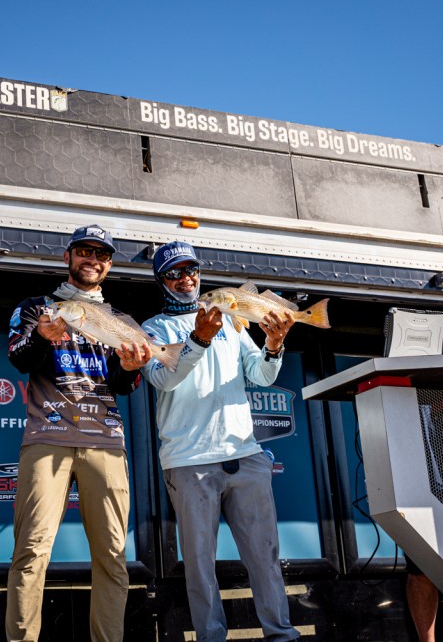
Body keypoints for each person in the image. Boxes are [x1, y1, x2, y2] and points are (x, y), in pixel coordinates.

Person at [140, 241, 300, 642]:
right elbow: (163, 379)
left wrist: (274, 345)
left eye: (191, 270)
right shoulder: (153, 329)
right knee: (199, 565)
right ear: (161, 281)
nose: (186, 279)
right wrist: (198, 339)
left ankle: (282, 635)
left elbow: (261, 376)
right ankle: (212, 638)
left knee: (265, 556)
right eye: (175, 273)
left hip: (246, 455)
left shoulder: (231, 319)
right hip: (189, 460)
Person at [5, 224, 153, 642]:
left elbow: (122, 384)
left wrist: (131, 368)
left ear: (109, 265)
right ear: (67, 256)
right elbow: (19, 358)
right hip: (47, 439)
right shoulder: (37, 308)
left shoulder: (121, 321)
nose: (93, 260)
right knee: (31, 550)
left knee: (112, 555)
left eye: (101, 254)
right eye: (85, 251)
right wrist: (41, 337)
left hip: (105, 442)